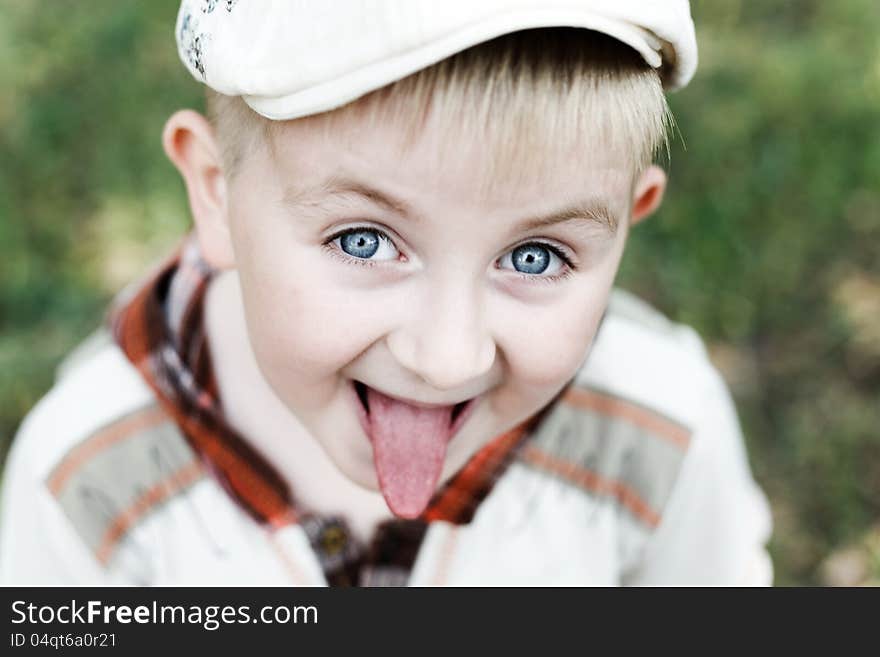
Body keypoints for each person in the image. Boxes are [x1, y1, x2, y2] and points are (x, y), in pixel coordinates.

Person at [0, 0, 773, 585]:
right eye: (363, 241)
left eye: (536, 256)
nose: (446, 357)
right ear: (218, 193)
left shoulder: (661, 437)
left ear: (628, 223)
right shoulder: (85, 483)